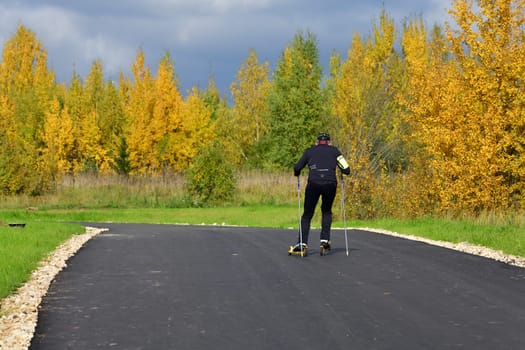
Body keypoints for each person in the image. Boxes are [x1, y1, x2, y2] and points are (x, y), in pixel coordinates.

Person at [292, 132, 350, 253]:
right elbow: (346, 169)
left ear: (316, 142)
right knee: (326, 211)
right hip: (330, 183)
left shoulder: (310, 151)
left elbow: (297, 167)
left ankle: (302, 243)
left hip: (314, 184)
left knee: (307, 213)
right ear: (329, 142)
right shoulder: (335, 151)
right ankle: (324, 241)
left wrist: (297, 174)